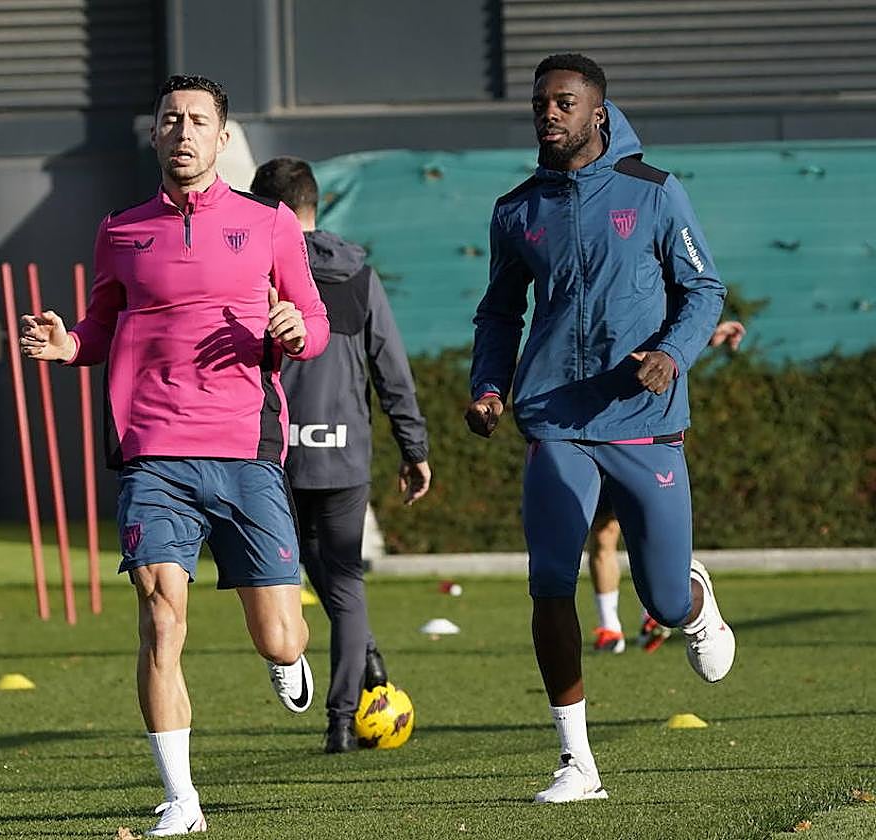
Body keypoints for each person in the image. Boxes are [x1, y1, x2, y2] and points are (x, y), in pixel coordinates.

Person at [19, 74, 329, 836]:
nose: (182, 131)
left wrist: (295, 330)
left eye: (197, 120)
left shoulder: (270, 224)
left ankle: (286, 658)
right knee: (160, 621)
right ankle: (181, 799)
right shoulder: (120, 231)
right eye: (169, 120)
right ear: (155, 134)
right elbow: (100, 324)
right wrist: (68, 345)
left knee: (280, 633)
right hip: (154, 453)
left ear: (222, 137)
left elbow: (315, 321)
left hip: (246, 450)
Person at [465, 54, 737, 804]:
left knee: (661, 602)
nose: (549, 114)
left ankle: (693, 602)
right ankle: (576, 762)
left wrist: (673, 355)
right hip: (554, 418)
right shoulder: (517, 209)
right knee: (551, 582)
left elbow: (704, 288)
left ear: (597, 113)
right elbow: (499, 313)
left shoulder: (653, 191)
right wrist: (489, 387)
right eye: (540, 104)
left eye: (564, 103)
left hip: (643, 419)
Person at [249, 157, 432, 754]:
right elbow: (391, 368)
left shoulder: (253, 269)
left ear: (260, 209)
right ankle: (342, 720)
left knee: (299, 569)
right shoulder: (357, 272)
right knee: (344, 580)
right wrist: (413, 446)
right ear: (315, 204)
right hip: (343, 452)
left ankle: (356, 661)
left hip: (274, 453)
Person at [589, 320, 747, 654]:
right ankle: (610, 628)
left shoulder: (647, 303)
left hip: (640, 438)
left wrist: (705, 333)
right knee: (603, 532)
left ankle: (654, 613)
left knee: (645, 527)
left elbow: (667, 339)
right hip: (587, 434)